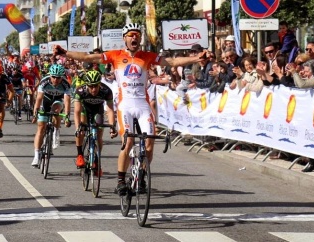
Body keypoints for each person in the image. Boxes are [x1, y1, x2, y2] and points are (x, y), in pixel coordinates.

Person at [52, 23, 207, 195]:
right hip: (125, 105)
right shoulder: (115, 55)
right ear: (124, 38)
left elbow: (172, 61)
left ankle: (141, 175)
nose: (134, 38)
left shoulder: (147, 56)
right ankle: (120, 181)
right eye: (131, 35)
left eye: (137, 35)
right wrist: (65, 53)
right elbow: (89, 58)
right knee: (128, 142)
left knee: (149, 143)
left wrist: (197, 58)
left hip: (143, 105)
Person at [73, 70, 117, 170]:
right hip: (85, 110)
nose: (93, 89)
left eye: (95, 86)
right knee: (81, 131)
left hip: (98, 110)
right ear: (86, 85)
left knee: (99, 134)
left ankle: (97, 158)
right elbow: (77, 111)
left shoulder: (106, 90)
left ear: (99, 84)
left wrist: (112, 126)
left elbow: (110, 110)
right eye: (91, 86)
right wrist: (77, 128)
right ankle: (80, 155)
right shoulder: (80, 90)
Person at [31, 64, 72, 167]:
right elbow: (39, 98)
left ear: (61, 77)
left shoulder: (65, 84)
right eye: (53, 77)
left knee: (56, 110)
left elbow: (67, 101)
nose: (56, 79)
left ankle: (56, 130)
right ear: (50, 76)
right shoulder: (44, 81)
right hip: (46, 100)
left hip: (58, 100)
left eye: (58, 77)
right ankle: (36, 155)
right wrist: (35, 112)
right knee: (41, 127)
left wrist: (67, 116)